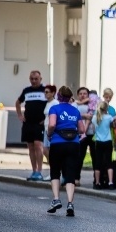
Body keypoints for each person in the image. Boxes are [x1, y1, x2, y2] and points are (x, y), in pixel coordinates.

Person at [46, 86, 84, 217]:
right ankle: (70, 203)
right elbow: (82, 129)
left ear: (58, 96)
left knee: (55, 171)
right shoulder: (75, 110)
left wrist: (49, 134)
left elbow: (51, 124)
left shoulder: (54, 109)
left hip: (57, 143)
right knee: (70, 173)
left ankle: (56, 199)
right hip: (73, 144)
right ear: (70, 97)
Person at [16, 70, 47, 181]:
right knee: (31, 147)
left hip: (39, 122)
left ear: (40, 79)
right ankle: (34, 170)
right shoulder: (26, 91)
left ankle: (39, 171)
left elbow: (52, 104)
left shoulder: (45, 91)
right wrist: (20, 115)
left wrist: (47, 119)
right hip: (28, 122)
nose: (34, 81)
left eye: (36, 79)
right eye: (32, 79)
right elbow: (18, 102)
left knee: (38, 145)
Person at [75, 87, 96, 186]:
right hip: (80, 134)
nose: (82, 95)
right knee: (79, 157)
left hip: (92, 133)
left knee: (95, 157)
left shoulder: (93, 103)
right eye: (80, 93)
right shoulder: (75, 105)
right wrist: (84, 116)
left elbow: (94, 114)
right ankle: (76, 178)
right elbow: (74, 115)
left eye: (85, 93)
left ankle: (97, 179)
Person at [92, 100, 115, 189]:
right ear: (106, 109)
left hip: (98, 141)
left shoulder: (94, 118)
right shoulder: (109, 117)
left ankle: (97, 182)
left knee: (98, 162)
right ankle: (110, 182)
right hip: (108, 141)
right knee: (109, 162)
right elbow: (113, 123)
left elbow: (93, 130)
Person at [41, 85, 58, 163]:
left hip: (52, 129)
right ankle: (52, 168)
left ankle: (55, 168)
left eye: (47, 92)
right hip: (46, 128)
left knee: (50, 150)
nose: (45, 94)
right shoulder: (47, 103)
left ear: (53, 93)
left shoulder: (55, 103)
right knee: (45, 149)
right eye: (44, 92)